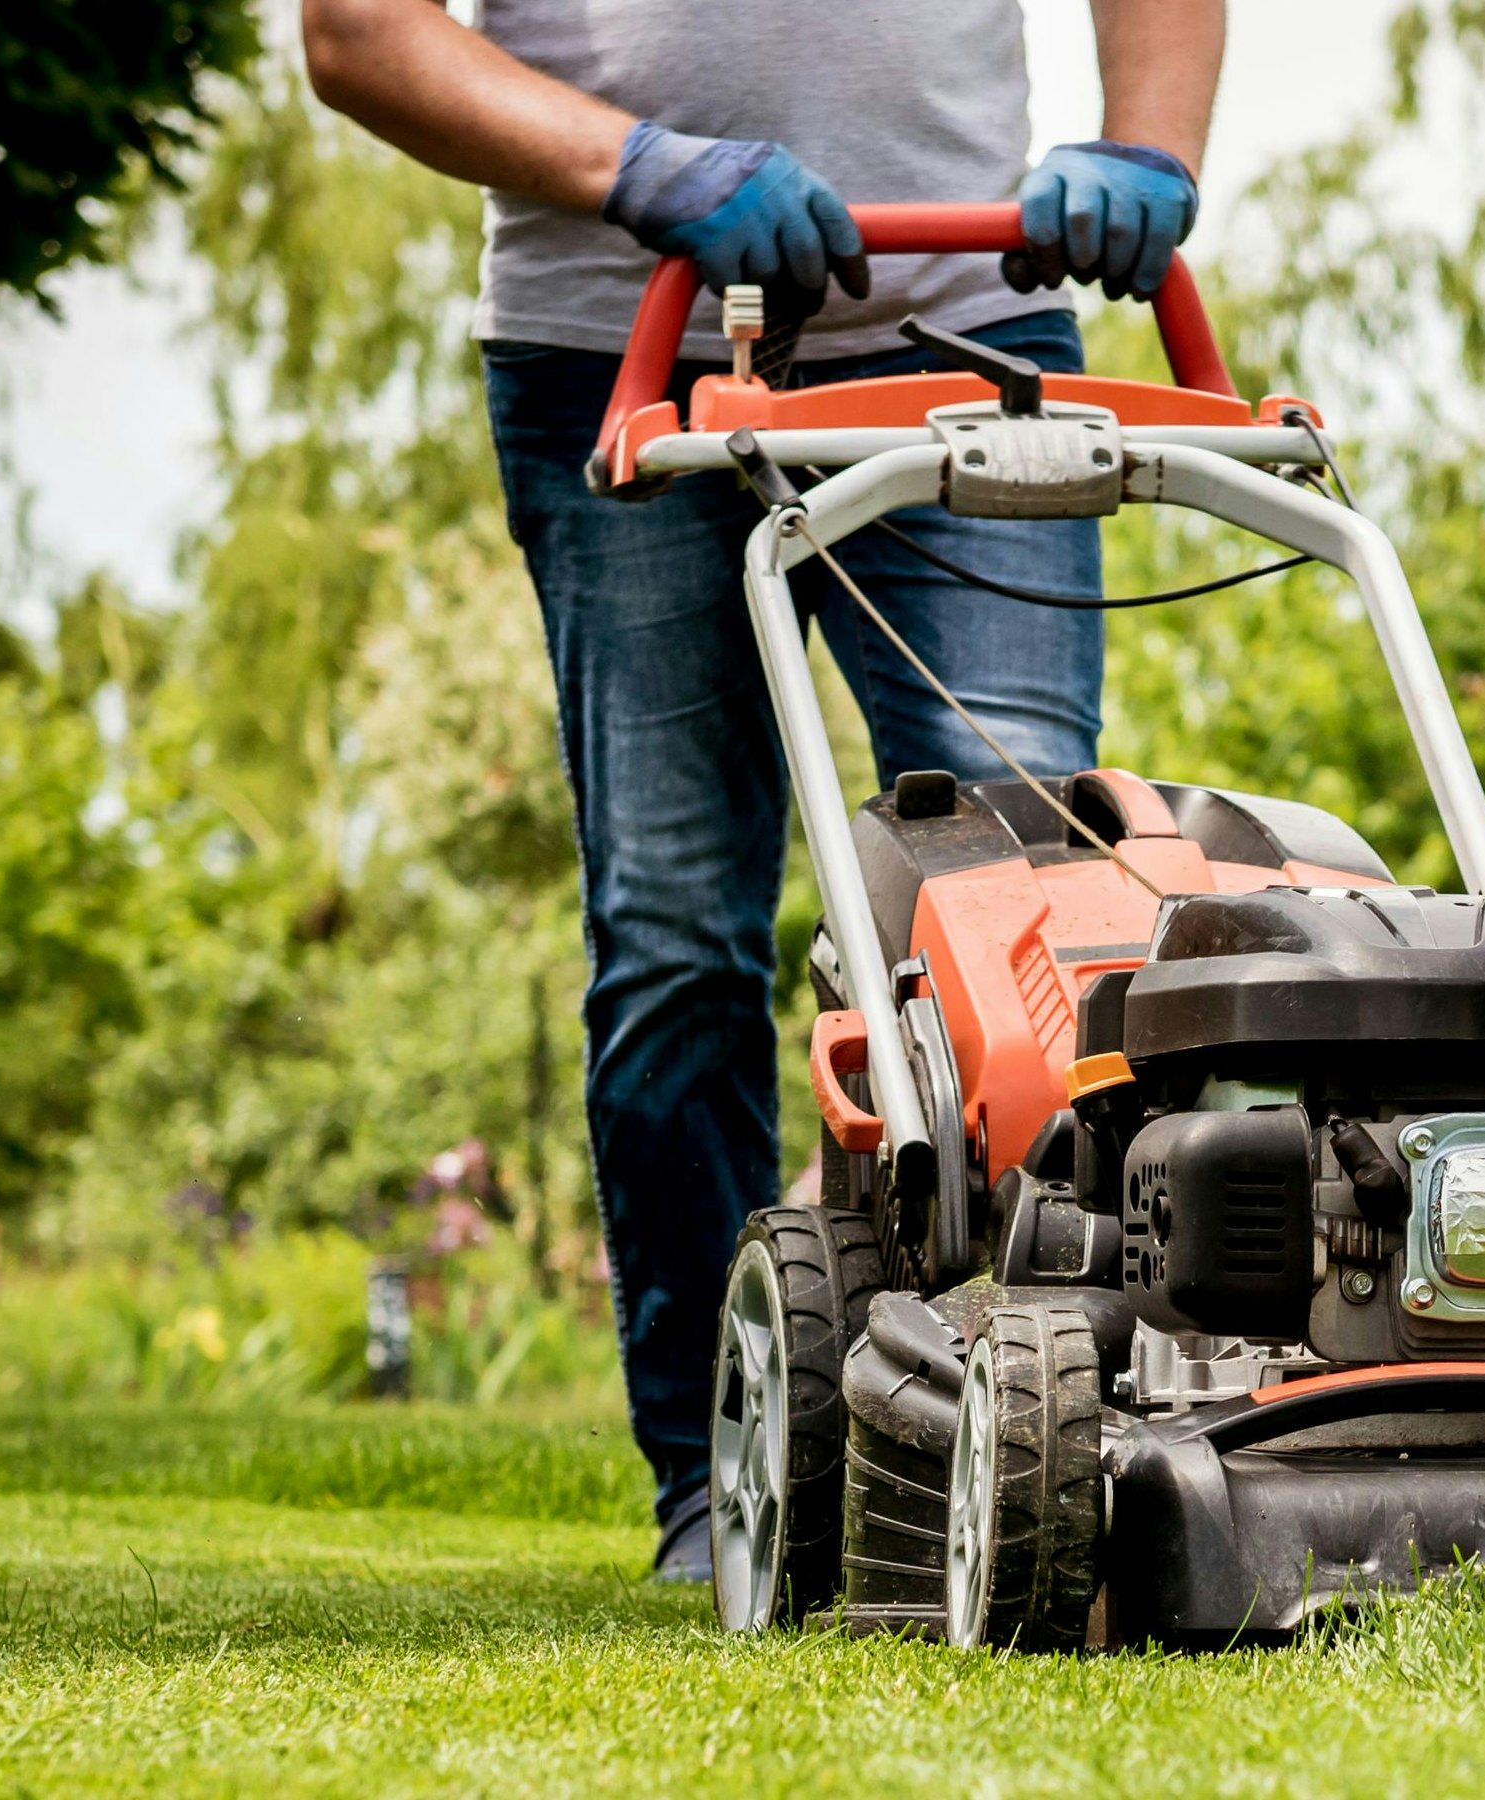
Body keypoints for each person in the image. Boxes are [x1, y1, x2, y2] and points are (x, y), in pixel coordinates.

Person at [302, 0, 1225, 1579]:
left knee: (1027, 922)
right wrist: (636, 164)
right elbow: (356, 34)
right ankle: (726, 1470)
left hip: (969, 329)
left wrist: (1148, 144)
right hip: (626, 335)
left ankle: (1038, 1422)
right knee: (674, 937)